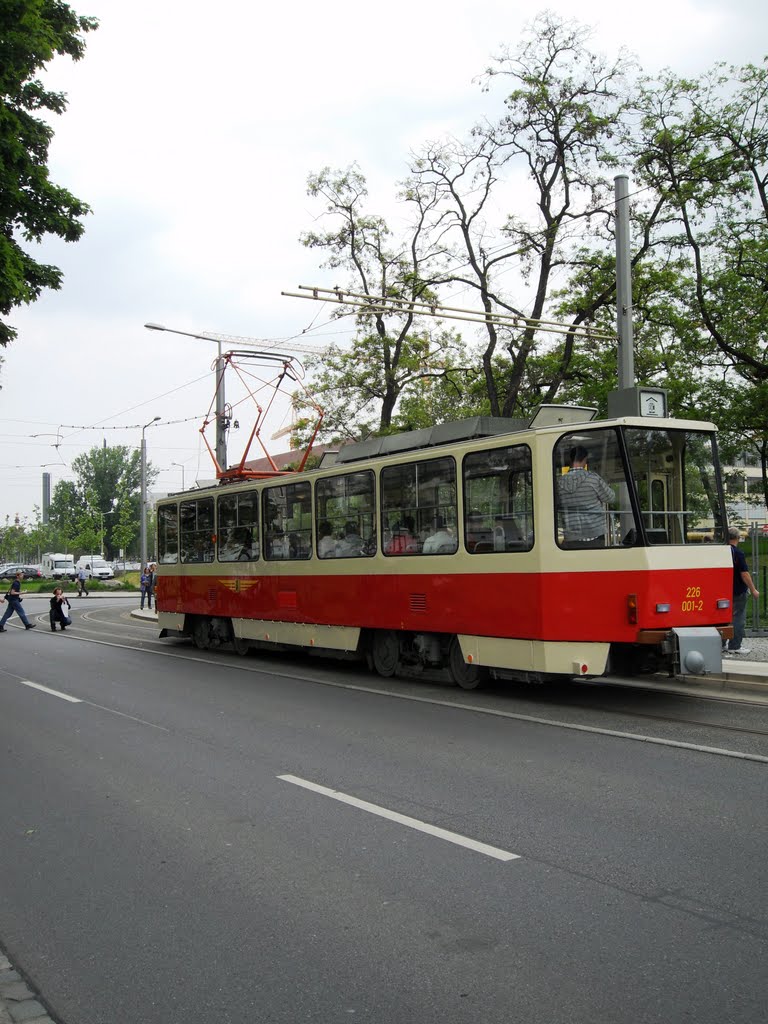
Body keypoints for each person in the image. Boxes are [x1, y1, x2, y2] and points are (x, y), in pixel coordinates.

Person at [557, 445, 616, 547]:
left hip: (571, 536)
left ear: (571, 460)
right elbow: (611, 498)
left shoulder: (559, 483)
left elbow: (556, 505)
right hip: (595, 534)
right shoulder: (593, 479)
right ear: (585, 459)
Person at [724, 526, 759, 656]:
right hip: (738, 590)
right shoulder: (738, 553)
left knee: (723, 618)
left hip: (723, 591)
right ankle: (735, 645)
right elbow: (744, 574)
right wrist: (753, 589)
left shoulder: (723, 552)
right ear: (738, 538)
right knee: (738, 618)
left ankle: (721, 644)